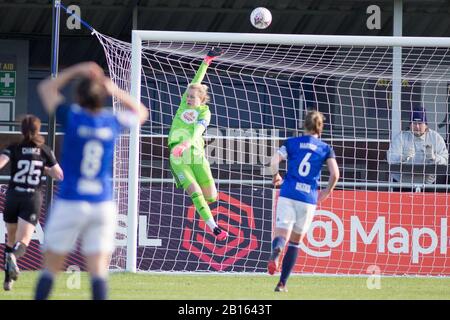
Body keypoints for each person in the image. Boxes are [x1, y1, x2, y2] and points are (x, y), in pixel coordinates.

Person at [34, 61, 148, 300]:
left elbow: (46, 89)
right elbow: (141, 112)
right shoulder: (111, 121)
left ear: (78, 96)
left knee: (50, 271)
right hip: (101, 203)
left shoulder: (73, 117)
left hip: (71, 201)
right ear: (101, 98)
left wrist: (76, 70)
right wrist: (113, 89)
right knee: (98, 273)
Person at [267, 110, 339, 292]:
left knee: (281, 234)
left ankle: (276, 252)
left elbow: (273, 161)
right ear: (320, 128)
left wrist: (276, 175)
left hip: (288, 193)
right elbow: (335, 174)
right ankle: (282, 283)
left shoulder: (291, 143)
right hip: (307, 198)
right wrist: (326, 191)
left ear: (303, 125)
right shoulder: (325, 148)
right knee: (295, 242)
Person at [168, 47, 228, 241]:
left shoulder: (204, 113)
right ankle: (214, 228)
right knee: (194, 192)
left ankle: (208, 210)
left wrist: (187, 143)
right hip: (178, 155)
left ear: (202, 99)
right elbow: (196, 81)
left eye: (193, 96)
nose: (188, 98)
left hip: (196, 154)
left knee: (211, 196)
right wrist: (207, 60)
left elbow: (198, 131)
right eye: (188, 95)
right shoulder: (183, 106)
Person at [0, 115, 63, 291]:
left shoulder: (14, 148)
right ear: (37, 130)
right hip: (31, 198)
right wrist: (43, 167)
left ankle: (8, 281)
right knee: (23, 241)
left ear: (22, 130)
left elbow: (1, 163)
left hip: (13, 196)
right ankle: (13, 259)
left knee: (11, 239)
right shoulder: (44, 150)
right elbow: (59, 174)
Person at [387, 108, 448, 190]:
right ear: (410, 124)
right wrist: (403, 157)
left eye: (420, 123)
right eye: (414, 123)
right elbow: (390, 159)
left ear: (426, 124)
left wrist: (434, 158)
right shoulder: (401, 137)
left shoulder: (435, 138)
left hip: (427, 183)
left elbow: (445, 160)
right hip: (402, 183)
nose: (417, 126)